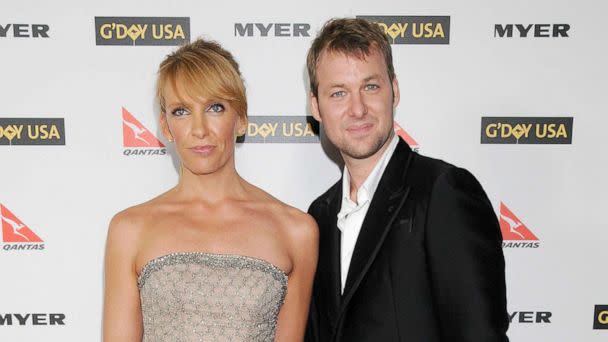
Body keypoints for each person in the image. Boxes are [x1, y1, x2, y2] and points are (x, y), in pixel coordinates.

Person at [305, 18, 509, 341]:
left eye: (370, 87)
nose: (357, 109)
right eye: (339, 93)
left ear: (394, 90)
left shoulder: (443, 193)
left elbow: (480, 334)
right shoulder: (318, 215)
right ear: (316, 106)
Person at [103, 38, 318, 342]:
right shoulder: (130, 229)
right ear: (165, 126)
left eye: (215, 107)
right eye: (181, 111)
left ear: (241, 119)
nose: (199, 129)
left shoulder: (296, 230)